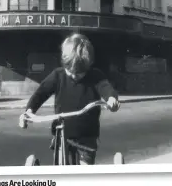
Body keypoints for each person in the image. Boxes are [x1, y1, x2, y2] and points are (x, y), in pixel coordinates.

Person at [19, 33, 120, 165]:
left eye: (79, 73)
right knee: (61, 169)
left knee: (84, 173)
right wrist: (29, 111)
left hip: (87, 137)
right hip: (61, 134)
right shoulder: (58, 75)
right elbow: (41, 92)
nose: (74, 75)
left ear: (88, 65)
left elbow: (105, 87)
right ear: (64, 62)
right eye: (70, 71)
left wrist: (111, 98)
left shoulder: (95, 76)